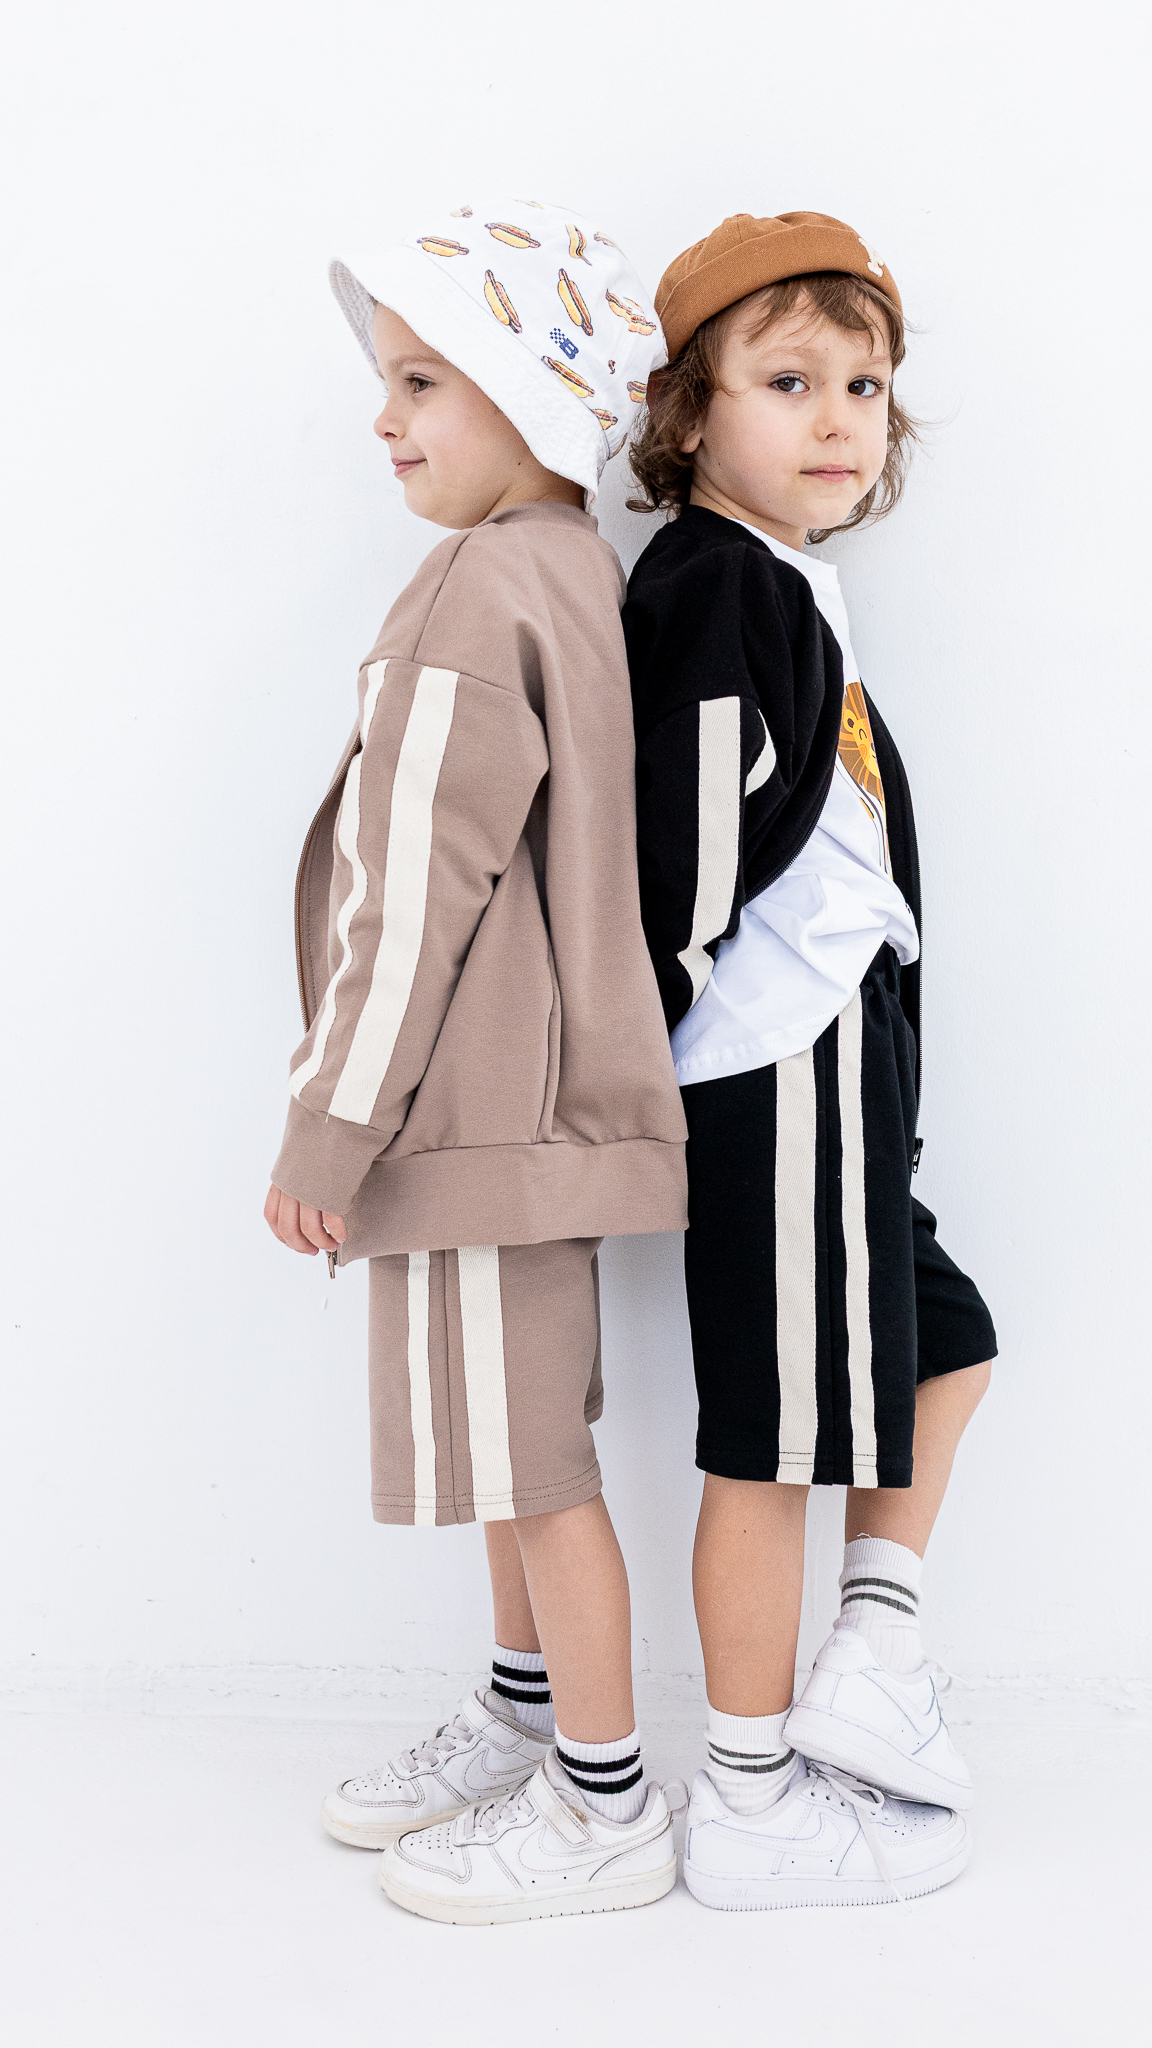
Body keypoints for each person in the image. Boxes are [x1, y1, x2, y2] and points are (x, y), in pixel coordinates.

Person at [263, 196, 690, 1926]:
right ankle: (526, 1719)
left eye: (422, 381)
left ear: (530, 391)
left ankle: (604, 1804)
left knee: (535, 1474)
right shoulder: (573, 571)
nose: (384, 420)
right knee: (521, 1451)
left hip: (470, 1116)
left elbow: (410, 893)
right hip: (542, 1107)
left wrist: (329, 1126)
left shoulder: (468, 594)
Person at [624, 211, 999, 1909]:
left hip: (844, 1054)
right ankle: (751, 1795)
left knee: (945, 1338)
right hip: (777, 1062)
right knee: (772, 1441)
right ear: (690, 413)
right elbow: (683, 857)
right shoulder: (713, 583)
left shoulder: (772, 578)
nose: (837, 418)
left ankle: (869, 1654)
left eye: (862, 385)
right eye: (786, 382)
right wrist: (640, 1056)